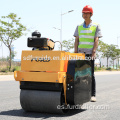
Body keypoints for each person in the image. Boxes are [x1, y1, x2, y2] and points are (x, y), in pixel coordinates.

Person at [74, 5, 102, 102]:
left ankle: (92, 95)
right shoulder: (79, 26)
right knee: (79, 73)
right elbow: (76, 40)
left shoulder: (96, 25)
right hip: (80, 54)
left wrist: (94, 52)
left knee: (91, 74)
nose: (85, 15)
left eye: (87, 13)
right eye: (84, 13)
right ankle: (79, 93)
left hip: (90, 54)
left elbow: (96, 39)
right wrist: (75, 52)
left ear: (91, 14)